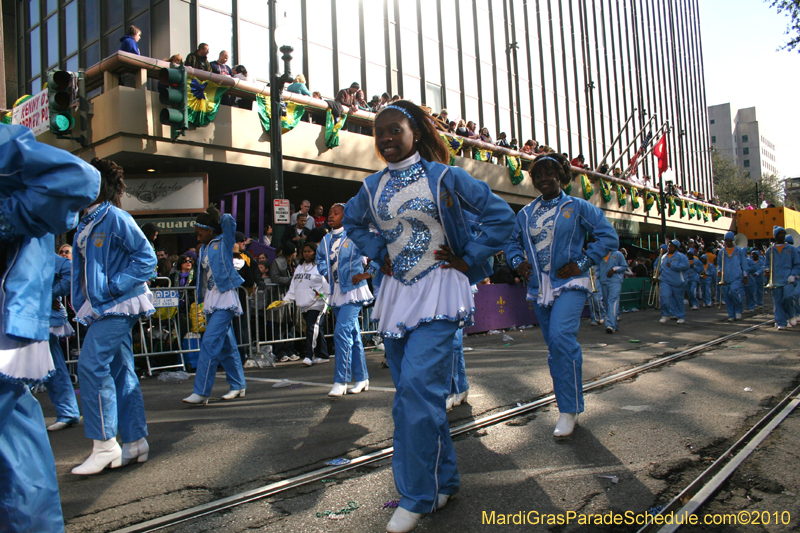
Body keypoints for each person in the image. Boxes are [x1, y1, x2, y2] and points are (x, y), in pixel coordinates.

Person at [343, 100, 515, 533]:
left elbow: (500, 217)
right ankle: (445, 480)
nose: (385, 138)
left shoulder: (445, 177)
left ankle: (416, 496)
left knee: (416, 390)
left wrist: (469, 257)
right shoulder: (370, 187)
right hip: (397, 297)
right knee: (414, 395)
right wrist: (379, 252)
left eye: (394, 130)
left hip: (440, 290)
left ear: (414, 133)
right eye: (378, 132)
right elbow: (353, 223)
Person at [0, 124, 100, 531]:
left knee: (94, 369)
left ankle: (111, 438)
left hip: (42, 317)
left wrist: (93, 296)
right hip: (39, 319)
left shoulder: (116, 224)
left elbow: (78, 178)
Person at [507, 152, 617, 440]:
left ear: (562, 176)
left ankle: (568, 410)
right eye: (537, 174)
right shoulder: (526, 213)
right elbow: (511, 242)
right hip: (539, 288)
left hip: (570, 283)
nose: (543, 179)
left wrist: (582, 262)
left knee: (560, 338)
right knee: (556, 348)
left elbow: (607, 236)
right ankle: (571, 405)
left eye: (549, 173)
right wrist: (518, 262)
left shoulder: (578, 207)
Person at [71, 158, 156, 475]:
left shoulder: (115, 217)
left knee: (91, 364)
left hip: (119, 304)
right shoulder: (85, 221)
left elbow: (147, 259)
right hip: (102, 306)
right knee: (121, 371)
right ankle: (135, 442)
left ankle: (105, 445)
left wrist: (112, 287)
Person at [182, 206, 247, 404]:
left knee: (209, 343)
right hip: (211, 299)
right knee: (227, 345)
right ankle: (238, 385)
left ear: (209, 229)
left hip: (226, 298)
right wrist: (200, 299)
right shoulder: (203, 249)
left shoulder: (224, 241)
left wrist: (216, 214)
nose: (197, 235)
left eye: (199, 231)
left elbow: (229, 222)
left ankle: (201, 392)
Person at [317, 204, 374, 397]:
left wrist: (368, 273)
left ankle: (340, 380)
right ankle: (362, 378)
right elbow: (320, 259)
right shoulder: (325, 240)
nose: (331, 216)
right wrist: (326, 274)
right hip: (336, 292)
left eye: (335, 213)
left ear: (345, 215)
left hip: (354, 292)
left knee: (341, 333)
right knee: (354, 337)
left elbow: (377, 252)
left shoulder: (355, 235)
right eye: (329, 213)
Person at [44, 251, 82, 432]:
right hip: (18, 315)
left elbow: (70, 270)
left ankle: (67, 411)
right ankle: (67, 411)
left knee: (51, 364)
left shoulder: (37, 249)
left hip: (38, 318)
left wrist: (48, 294)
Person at [281, 242, 330, 366]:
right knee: (316, 328)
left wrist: (328, 301)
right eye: (304, 251)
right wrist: (285, 300)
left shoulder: (320, 266)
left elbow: (327, 286)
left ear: (315, 252)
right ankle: (323, 354)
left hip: (318, 303)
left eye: (309, 251)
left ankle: (309, 355)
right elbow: (294, 286)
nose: (307, 254)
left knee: (311, 327)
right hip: (304, 303)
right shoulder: (299, 267)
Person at [765, 227, 800, 330]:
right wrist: (767, 270)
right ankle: (781, 322)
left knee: (788, 297)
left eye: (783, 233)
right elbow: (767, 264)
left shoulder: (791, 249)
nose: (782, 235)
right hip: (776, 280)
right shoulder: (770, 250)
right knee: (778, 301)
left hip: (788, 279)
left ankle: (791, 313)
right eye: (779, 233)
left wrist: (793, 275)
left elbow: (797, 264)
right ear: (775, 236)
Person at [716, 231, 748, 322]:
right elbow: (719, 264)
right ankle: (731, 314)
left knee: (733, 291)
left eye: (730, 241)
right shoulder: (721, 252)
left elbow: (744, 263)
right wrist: (719, 270)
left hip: (736, 276)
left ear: (733, 241)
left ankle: (738, 309)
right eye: (727, 241)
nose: (728, 243)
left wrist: (745, 275)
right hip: (725, 277)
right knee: (727, 296)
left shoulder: (739, 250)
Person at [656, 240, 689, 324]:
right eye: (669, 246)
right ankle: (665, 315)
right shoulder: (663, 257)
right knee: (664, 297)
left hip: (677, 281)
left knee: (678, 300)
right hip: (665, 281)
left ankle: (681, 316)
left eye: (671, 246)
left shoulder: (681, 256)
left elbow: (686, 265)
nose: (669, 247)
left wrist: (674, 266)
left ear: (676, 248)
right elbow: (660, 267)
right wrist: (657, 272)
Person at [597, 248, 627, 333]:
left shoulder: (618, 254)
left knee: (612, 301)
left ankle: (610, 325)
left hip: (615, 281)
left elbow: (624, 266)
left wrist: (614, 269)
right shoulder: (601, 254)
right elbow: (599, 269)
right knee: (606, 303)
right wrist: (595, 276)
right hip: (603, 281)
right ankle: (615, 324)